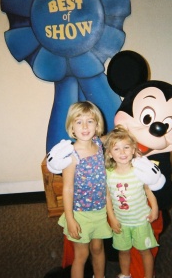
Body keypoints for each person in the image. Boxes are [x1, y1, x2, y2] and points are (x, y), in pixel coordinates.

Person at [57, 101, 112, 278]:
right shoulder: (71, 155)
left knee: (97, 248)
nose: (85, 126)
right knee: (81, 255)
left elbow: (109, 137)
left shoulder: (98, 144)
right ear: (71, 127)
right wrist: (70, 219)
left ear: (97, 125)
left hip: (100, 210)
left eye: (90, 121)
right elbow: (67, 189)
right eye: (79, 121)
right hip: (80, 213)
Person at [104, 126, 159, 278]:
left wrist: (154, 208)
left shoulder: (139, 170)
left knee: (145, 251)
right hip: (122, 222)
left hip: (141, 220)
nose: (122, 152)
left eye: (126, 147)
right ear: (109, 153)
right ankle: (125, 274)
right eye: (116, 149)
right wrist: (112, 218)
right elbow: (107, 197)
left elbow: (148, 191)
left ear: (133, 149)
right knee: (123, 251)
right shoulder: (108, 174)